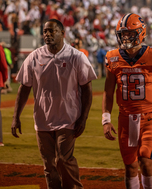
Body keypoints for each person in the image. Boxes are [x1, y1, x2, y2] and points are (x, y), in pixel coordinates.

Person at [11, 19, 97, 189]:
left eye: (52, 31)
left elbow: (87, 89)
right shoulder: (34, 57)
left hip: (68, 118)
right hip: (42, 120)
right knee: (49, 165)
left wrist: (83, 118)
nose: (47, 34)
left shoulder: (76, 56)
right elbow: (24, 88)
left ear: (63, 34)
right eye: (45, 31)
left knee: (64, 160)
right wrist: (16, 117)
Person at [102, 13, 152, 189]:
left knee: (145, 161)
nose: (125, 38)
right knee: (130, 166)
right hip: (125, 119)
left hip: (149, 118)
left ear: (141, 33)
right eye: (123, 34)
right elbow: (108, 91)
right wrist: (106, 119)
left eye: (129, 33)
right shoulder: (113, 57)